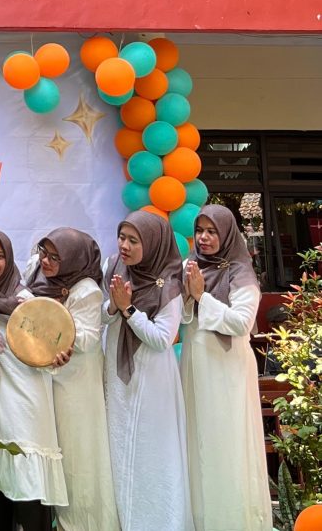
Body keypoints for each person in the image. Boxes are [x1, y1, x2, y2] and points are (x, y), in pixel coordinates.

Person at [180, 205, 271, 530]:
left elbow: (241, 323)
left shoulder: (241, 272)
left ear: (227, 234)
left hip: (227, 368)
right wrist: (188, 297)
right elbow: (181, 318)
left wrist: (202, 296)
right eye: (199, 230)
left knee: (226, 441)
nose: (203, 238)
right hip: (195, 362)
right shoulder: (191, 267)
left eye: (212, 231)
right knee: (198, 440)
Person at [102, 211, 194, 530]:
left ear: (153, 243)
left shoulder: (170, 282)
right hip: (117, 373)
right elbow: (101, 317)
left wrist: (128, 309)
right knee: (120, 446)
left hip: (152, 378)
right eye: (122, 237)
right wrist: (113, 306)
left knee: (153, 451)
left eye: (133, 240)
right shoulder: (114, 267)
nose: (124, 246)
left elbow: (162, 339)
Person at [0, 229, 67, 531]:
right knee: (2, 489)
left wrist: (57, 360)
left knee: (28, 485)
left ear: (9, 260)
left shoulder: (25, 300)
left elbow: (47, 351)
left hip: (26, 400)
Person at [26, 228, 118, 531]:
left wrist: (52, 330)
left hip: (76, 384)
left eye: (56, 257)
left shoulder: (86, 290)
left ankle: (83, 524)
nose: (46, 261)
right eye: (44, 252)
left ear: (73, 260)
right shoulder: (35, 270)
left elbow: (88, 337)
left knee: (78, 456)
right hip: (40, 376)